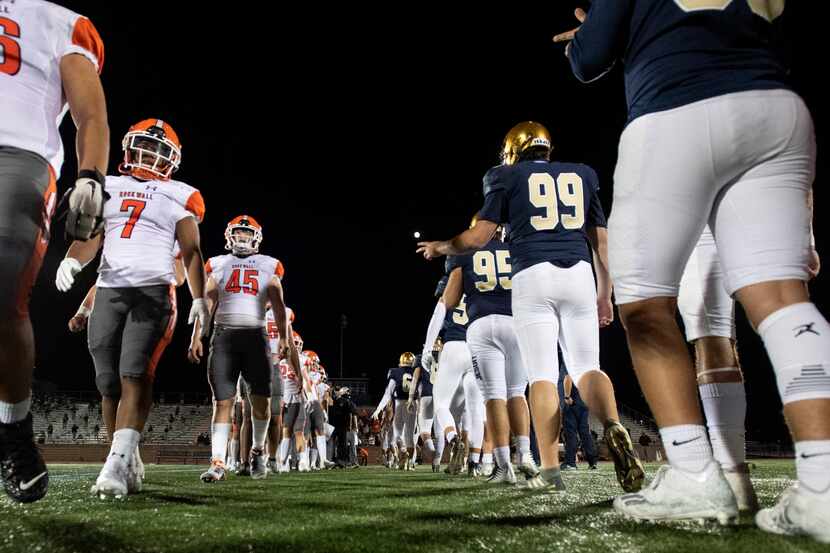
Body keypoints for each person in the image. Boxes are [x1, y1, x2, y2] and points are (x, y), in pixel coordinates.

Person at [556, 0, 827, 537]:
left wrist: (590, 34)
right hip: (773, 110)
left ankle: (694, 473)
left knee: (645, 305)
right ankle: (823, 485)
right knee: (781, 302)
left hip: (675, 111)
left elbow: (590, 61)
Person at [417, 122, 643, 493]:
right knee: (588, 368)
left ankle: (551, 470)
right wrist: (606, 294)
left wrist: (440, 247)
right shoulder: (583, 175)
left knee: (541, 376)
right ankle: (614, 425)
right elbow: (602, 244)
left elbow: (477, 237)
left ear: (513, 151)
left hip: (532, 276)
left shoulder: (504, 176)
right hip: (579, 274)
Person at [56, 119, 209, 498]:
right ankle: (124, 455)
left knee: (135, 373)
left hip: (154, 292)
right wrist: (73, 259)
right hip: (109, 289)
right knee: (107, 383)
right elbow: (91, 236)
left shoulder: (181, 194)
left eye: (159, 150)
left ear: (171, 160)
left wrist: (200, 296)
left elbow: (191, 251)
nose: (150, 155)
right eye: (145, 146)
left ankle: (116, 464)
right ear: (129, 146)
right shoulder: (108, 186)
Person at [0, 0, 107, 503]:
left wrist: (91, 177)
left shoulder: (53, 18)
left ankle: (13, 426)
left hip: (18, 153)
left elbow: (90, 110)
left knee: (3, 290)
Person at [189, 215, 288, 482]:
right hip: (224, 337)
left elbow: (278, 307)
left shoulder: (270, 265)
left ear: (256, 237)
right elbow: (207, 304)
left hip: (256, 337)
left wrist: (285, 339)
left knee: (261, 404)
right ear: (229, 235)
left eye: (247, 233)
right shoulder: (218, 264)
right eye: (238, 233)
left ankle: (257, 451)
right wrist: (196, 336)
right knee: (222, 402)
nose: (242, 237)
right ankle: (218, 462)